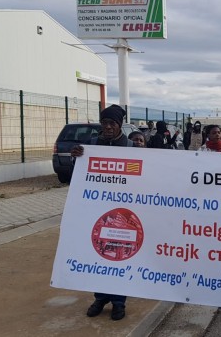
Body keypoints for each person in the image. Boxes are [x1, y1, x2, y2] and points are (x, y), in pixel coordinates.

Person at [70, 104, 132, 320]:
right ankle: (100, 297)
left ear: (119, 125)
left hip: (124, 214)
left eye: (111, 123)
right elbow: (80, 172)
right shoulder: (92, 146)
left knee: (120, 254)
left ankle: (118, 302)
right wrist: (76, 157)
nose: (107, 127)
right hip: (97, 213)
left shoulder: (132, 147)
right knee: (98, 252)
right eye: (104, 123)